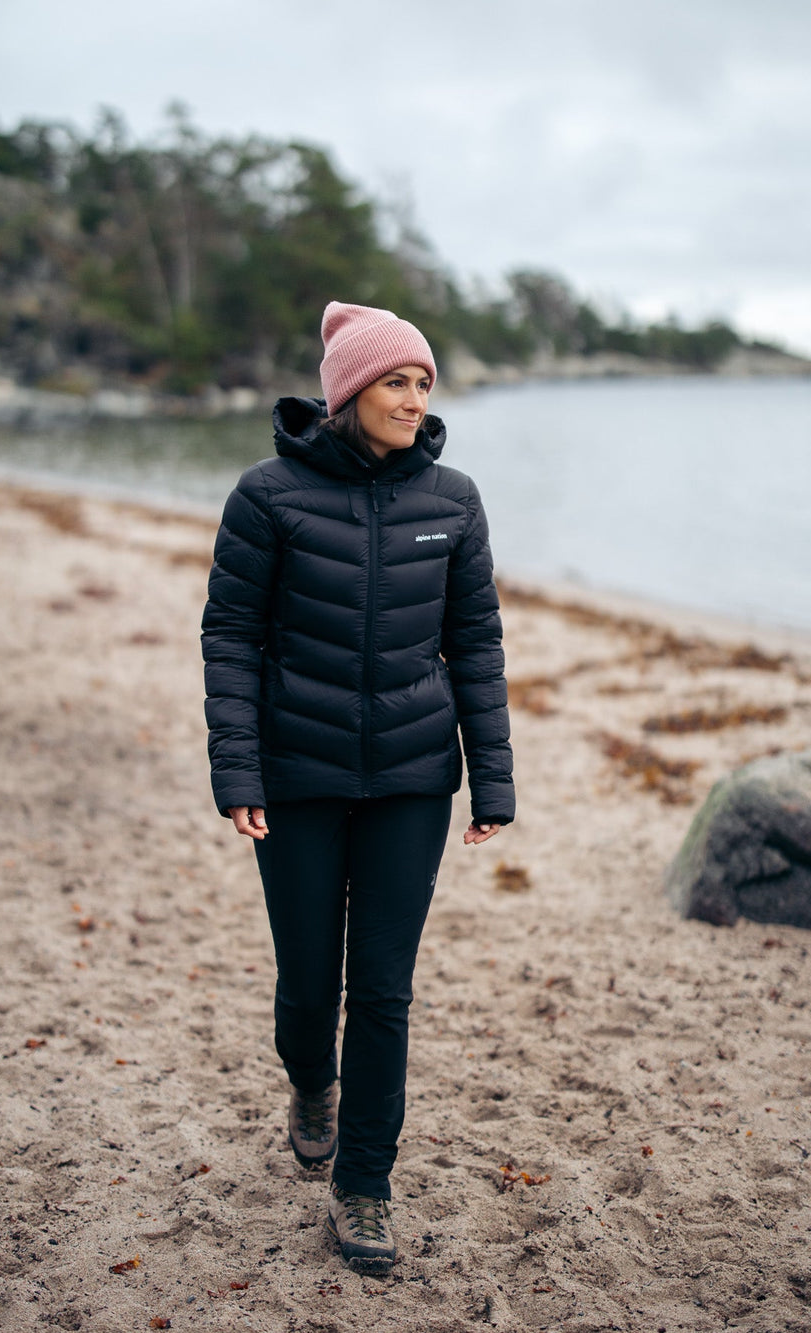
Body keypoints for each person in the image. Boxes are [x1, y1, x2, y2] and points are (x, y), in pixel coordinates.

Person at [202, 300, 515, 1274]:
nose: (416, 400)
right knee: (308, 985)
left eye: (423, 383)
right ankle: (310, 1082)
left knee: (382, 990)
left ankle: (365, 1185)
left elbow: (475, 641)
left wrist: (492, 777)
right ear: (349, 392)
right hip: (297, 772)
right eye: (396, 382)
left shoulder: (453, 500)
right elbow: (231, 636)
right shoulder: (267, 496)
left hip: (412, 780)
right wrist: (237, 768)